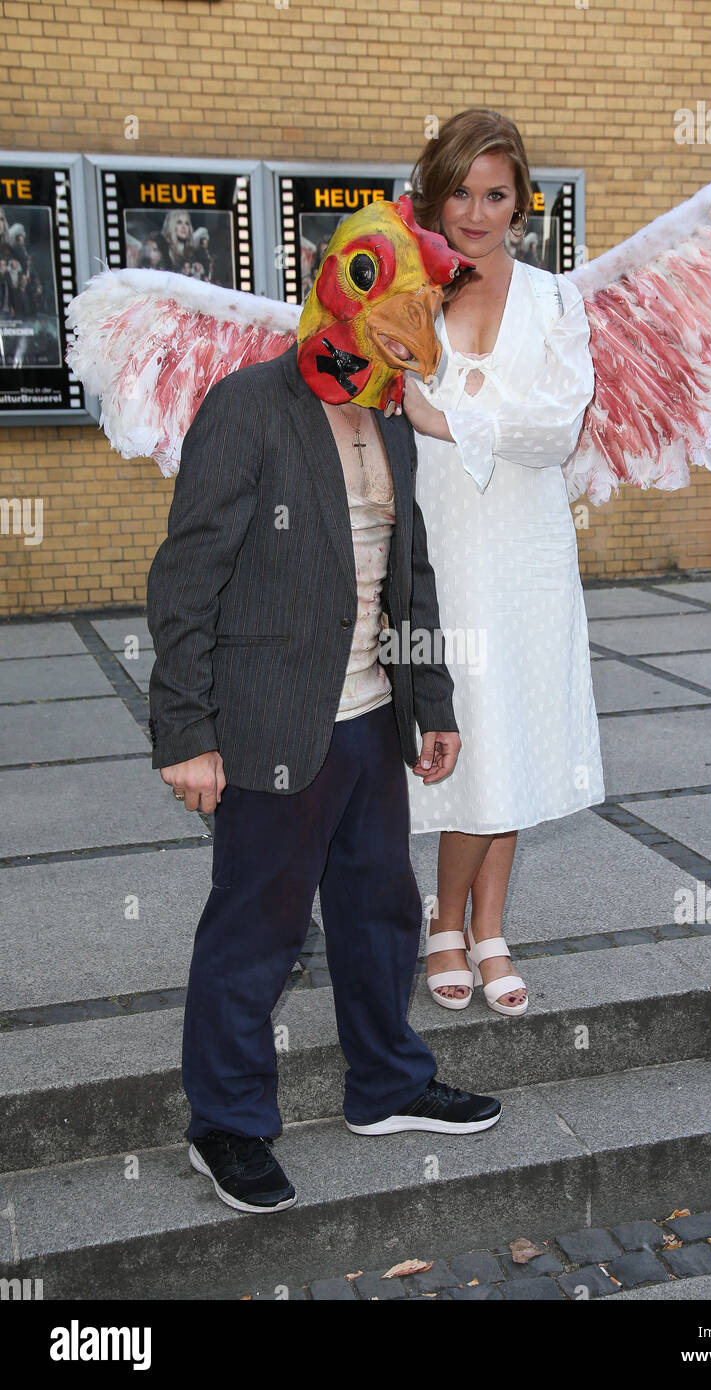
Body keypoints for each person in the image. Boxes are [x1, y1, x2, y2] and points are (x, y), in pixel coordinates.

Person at [146, 325, 502, 1214]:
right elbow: (186, 576)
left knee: (379, 911)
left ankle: (386, 1084)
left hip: (372, 716)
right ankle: (225, 1125)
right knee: (256, 926)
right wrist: (186, 731)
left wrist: (433, 702)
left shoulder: (389, 412)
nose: (394, 331)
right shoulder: (249, 403)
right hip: (270, 719)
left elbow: (407, 573)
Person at [398, 108, 603, 1017]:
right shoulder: (402, 291)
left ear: (521, 201)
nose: (477, 212)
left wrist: (446, 416)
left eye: (497, 193)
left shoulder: (556, 300)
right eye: (461, 192)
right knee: (465, 732)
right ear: (434, 193)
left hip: (526, 549)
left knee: (512, 728)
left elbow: (555, 429)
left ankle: (486, 929)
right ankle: (447, 917)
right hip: (437, 546)